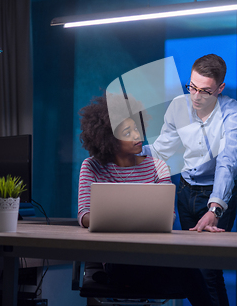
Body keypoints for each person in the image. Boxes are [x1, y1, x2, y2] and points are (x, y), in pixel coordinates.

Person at [77, 93, 213, 306]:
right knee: (186, 271)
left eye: (137, 128)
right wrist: (132, 219)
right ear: (109, 138)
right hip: (116, 258)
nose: (137, 135)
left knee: (187, 267)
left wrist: (119, 218)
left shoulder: (157, 166)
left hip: (154, 253)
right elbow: (85, 216)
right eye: (127, 132)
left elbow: (168, 217)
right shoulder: (91, 167)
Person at [139, 54, 237, 306]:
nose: (196, 96)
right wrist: (128, 150)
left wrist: (215, 208)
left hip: (216, 195)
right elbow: (162, 149)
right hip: (186, 192)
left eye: (205, 91)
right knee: (191, 270)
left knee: (209, 271)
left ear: (220, 88)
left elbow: (228, 162)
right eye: (192, 87)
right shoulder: (179, 106)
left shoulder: (233, 114)